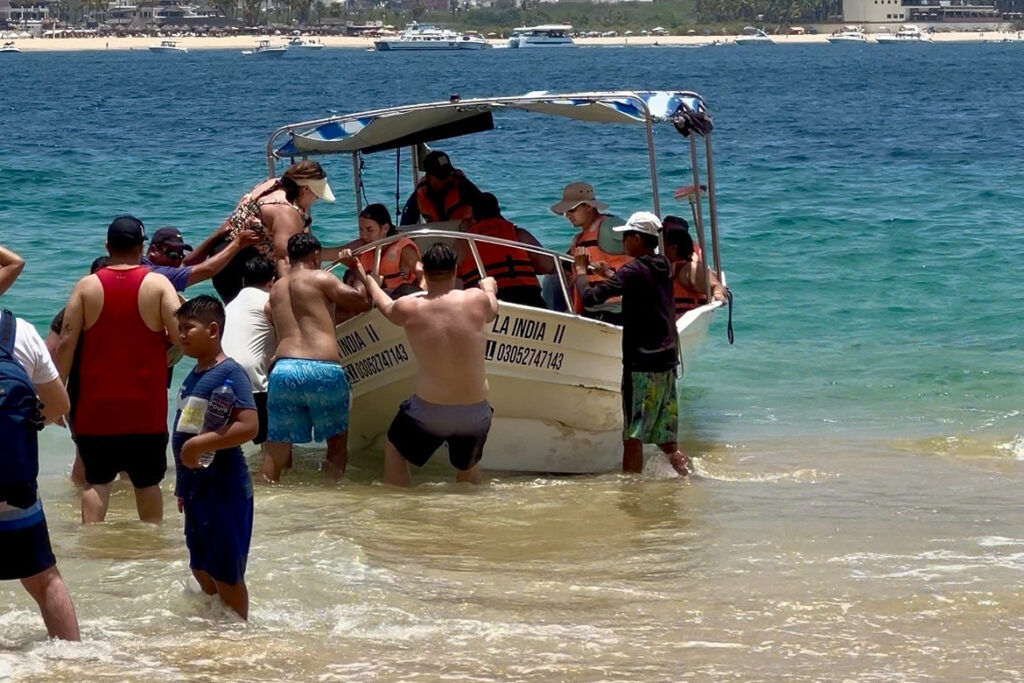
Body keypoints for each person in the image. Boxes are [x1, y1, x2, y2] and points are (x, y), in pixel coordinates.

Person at [55, 215, 181, 523]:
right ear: (142, 247)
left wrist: (57, 395)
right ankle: (152, 544)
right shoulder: (158, 284)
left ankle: (90, 546)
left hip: (96, 409)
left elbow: (66, 343)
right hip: (146, 409)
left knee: (96, 482)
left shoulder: (86, 286)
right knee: (147, 483)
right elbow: (182, 334)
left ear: (107, 246)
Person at [343, 242, 498, 487]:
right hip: (475, 413)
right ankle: (468, 509)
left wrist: (364, 276)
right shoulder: (476, 299)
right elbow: (493, 309)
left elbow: (385, 305)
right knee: (468, 467)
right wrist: (489, 288)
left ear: (423, 270)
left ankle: (403, 505)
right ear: (455, 270)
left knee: (395, 449)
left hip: (430, 412)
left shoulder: (410, 307)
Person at [572, 211, 692, 477]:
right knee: (666, 436)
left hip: (641, 363)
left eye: (626, 236)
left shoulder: (633, 270)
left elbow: (590, 298)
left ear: (637, 239)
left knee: (633, 435)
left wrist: (580, 272)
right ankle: (689, 476)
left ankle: (631, 489)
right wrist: (609, 273)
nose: (623, 241)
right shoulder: (662, 265)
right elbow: (637, 282)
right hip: (666, 361)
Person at [172, 296, 259, 620]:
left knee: (226, 571)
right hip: (197, 488)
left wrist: (198, 445)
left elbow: (249, 425)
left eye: (188, 328)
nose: (181, 335)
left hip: (224, 486)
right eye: (179, 328)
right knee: (200, 564)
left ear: (212, 330)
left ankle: (236, 631)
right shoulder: (195, 373)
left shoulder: (230, 372)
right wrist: (183, 487)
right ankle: (217, 621)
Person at [261, 234, 369, 482]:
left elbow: (274, 317)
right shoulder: (320, 278)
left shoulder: (277, 289)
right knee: (336, 443)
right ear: (316, 255)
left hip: (283, 370)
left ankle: (265, 496)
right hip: (323, 369)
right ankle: (330, 496)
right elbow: (362, 301)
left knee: (276, 449)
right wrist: (356, 268)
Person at [0, 308, 79, 640]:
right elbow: (59, 406)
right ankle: (74, 659)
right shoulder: (18, 331)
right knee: (44, 579)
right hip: (12, 482)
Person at [211, 160, 336, 303]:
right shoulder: (286, 213)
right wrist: (295, 300)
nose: (317, 199)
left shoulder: (273, 184)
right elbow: (285, 261)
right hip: (240, 270)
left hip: (221, 257)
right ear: (305, 189)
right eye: (317, 195)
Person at [44, 256, 109, 487]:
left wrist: (54, 397)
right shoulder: (133, 306)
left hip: (82, 391)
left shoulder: (71, 311)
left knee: (85, 455)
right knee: (126, 458)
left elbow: (49, 354)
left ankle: (78, 501)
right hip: (119, 389)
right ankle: (124, 504)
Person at [550, 182, 632, 323]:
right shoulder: (579, 240)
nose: (567, 215)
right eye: (565, 212)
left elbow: (642, 246)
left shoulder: (609, 226)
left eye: (571, 210)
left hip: (617, 310)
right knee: (551, 279)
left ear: (588, 206)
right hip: (592, 309)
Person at [458, 192, 553, 309]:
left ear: (472, 217)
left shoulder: (463, 243)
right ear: (498, 212)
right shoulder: (519, 235)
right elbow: (549, 265)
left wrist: (462, 230)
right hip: (528, 300)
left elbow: (450, 276)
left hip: (484, 305)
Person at [222, 257, 276, 449]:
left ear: (244, 281)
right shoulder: (269, 302)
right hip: (252, 381)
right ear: (272, 282)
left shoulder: (229, 306)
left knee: (229, 443)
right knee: (272, 442)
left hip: (222, 377)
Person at [144, 226, 261, 293]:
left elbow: (186, 263)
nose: (177, 261)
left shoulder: (143, 264)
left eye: (180, 256)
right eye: (173, 255)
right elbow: (207, 270)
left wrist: (217, 235)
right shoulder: (156, 275)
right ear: (153, 250)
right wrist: (238, 244)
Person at [343, 204, 422, 298]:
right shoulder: (362, 247)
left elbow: (423, 274)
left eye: (369, 230)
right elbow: (329, 254)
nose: (364, 235)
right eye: (361, 229)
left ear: (385, 228)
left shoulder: (403, 249)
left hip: (402, 300)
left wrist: (423, 298)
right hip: (373, 300)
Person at [662, 216, 727, 319]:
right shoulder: (660, 265)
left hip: (684, 321)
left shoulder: (690, 269)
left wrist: (718, 294)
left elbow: (717, 287)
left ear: (673, 247)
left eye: (663, 239)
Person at [399, 150, 482, 226]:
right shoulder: (421, 193)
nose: (448, 178)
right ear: (429, 178)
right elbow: (406, 222)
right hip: (437, 235)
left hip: (462, 233)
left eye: (449, 173)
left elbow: (485, 207)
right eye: (442, 176)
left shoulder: (462, 185)